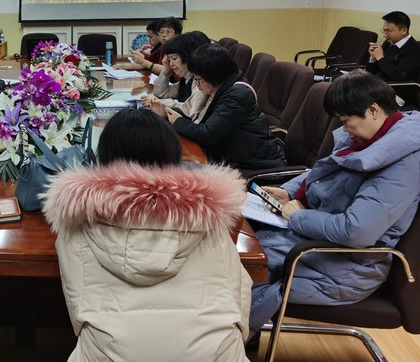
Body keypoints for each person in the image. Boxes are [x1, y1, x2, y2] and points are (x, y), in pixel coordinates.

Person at [42, 109, 251, 362]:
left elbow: (76, 307)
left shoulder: (76, 221)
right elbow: (239, 291)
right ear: (172, 156)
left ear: (105, 157)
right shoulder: (210, 219)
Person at [248, 70, 420, 340]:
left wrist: (297, 217)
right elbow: (326, 171)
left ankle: (226, 342)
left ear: (373, 110)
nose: (344, 128)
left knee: (238, 268)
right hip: (320, 243)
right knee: (237, 253)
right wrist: (289, 191)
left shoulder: (403, 164)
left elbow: (356, 231)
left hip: (345, 266)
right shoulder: (372, 139)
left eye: (345, 120)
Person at [165, 43, 285, 172]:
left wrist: (177, 121)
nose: (197, 85)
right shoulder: (222, 87)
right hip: (230, 158)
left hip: (253, 167)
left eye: (198, 79)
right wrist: (168, 113)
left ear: (214, 75)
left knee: (173, 170)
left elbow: (207, 134)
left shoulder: (236, 96)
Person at [143, 31, 211, 121]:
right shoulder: (186, 78)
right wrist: (166, 71)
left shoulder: (200, 80)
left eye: (174, 58)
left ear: (189, 57)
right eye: (169, 59)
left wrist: (160, 104)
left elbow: (191, 111)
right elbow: (160, 93)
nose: (171, 64)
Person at [365, 10, 420, 84]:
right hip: (378, 83)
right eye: (384, 30)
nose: (384, 35)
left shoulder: (415, 49)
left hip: (396, 87)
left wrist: (380, 58)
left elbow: (398, 75)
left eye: (388, 31)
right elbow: (370, 71)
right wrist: (373, 58)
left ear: (404, 30)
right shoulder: (388, 43)